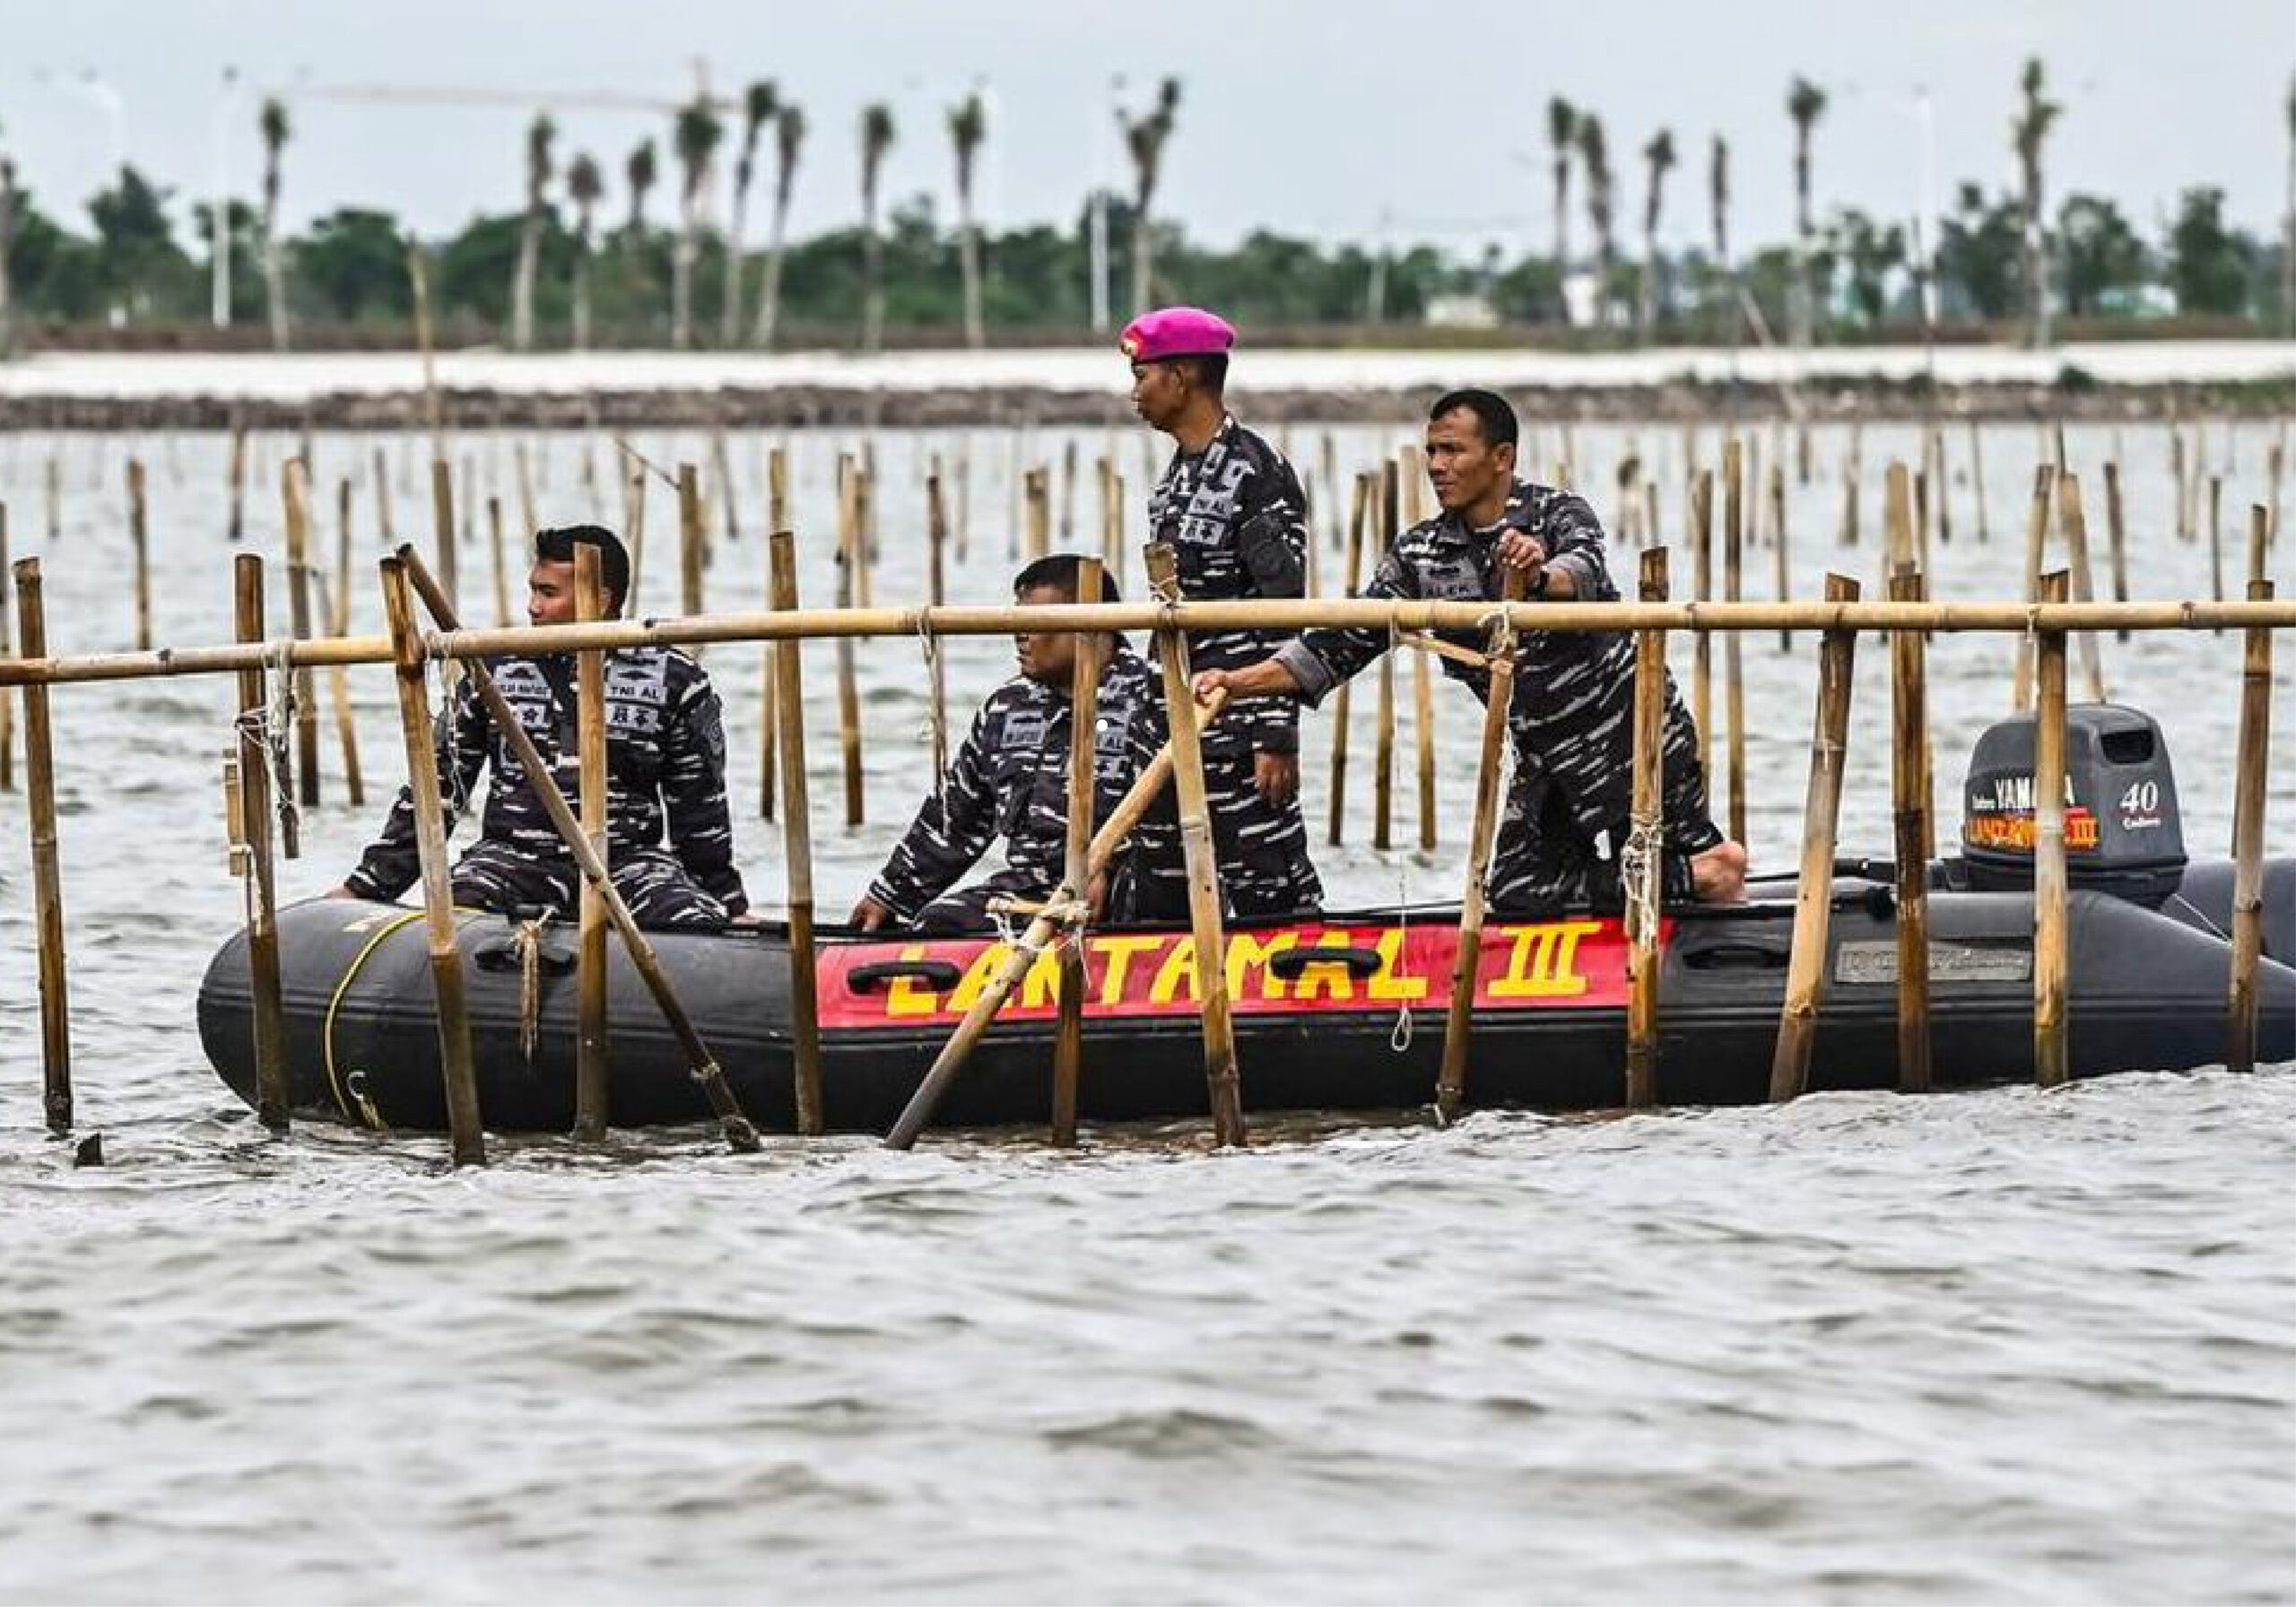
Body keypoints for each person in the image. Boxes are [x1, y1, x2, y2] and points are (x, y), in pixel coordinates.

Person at [1195, 388, 1747, 916]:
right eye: (1432, 451)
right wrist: (1237, 682)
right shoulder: (1421, 553)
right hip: (1545, 752)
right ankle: (1694, 877)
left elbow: (1581, 570)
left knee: (1659, 858)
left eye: (1453, 450)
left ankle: (1710, 883)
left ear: (1501, 457)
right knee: (1517, 891)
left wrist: (1534, 576)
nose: (1437, 465)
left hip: (1631, 731)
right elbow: (1338, 643)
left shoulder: (1556, 514)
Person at [329, 525, 749, 930]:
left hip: (628, 865)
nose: (533, 607)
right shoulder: (492, 668)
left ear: (600, 599)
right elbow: (437, 790)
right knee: (452, 917)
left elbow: (700, 809)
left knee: (696, 926)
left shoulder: (675, 679)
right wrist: (365, 887)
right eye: (533, 589)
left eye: (548, 593)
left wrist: (729, 905)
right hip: (511, 861)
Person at [1113, 304, 1322, 922]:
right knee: (1162, 892)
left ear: (1180, 377)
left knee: (1271, 893)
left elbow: (1283, 610)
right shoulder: (1177, 477)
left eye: (1143, 377)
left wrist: (1275, 734)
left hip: (1237, 724)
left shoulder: (1257, 474)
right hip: (1174, 722)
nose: (1135, 394)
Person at [851, 555, 1158, 934]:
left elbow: (1178, 813)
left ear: (1094, 628)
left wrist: (1107, 867)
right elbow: (955, 818)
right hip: (1031, 890)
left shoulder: (1152, 697)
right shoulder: (1008, 708)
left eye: (1034, 624)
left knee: (1143, 898)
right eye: (1016, 622)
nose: (1020, 635)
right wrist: (888, 896)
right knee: (937, 924)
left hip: (1124, 892)